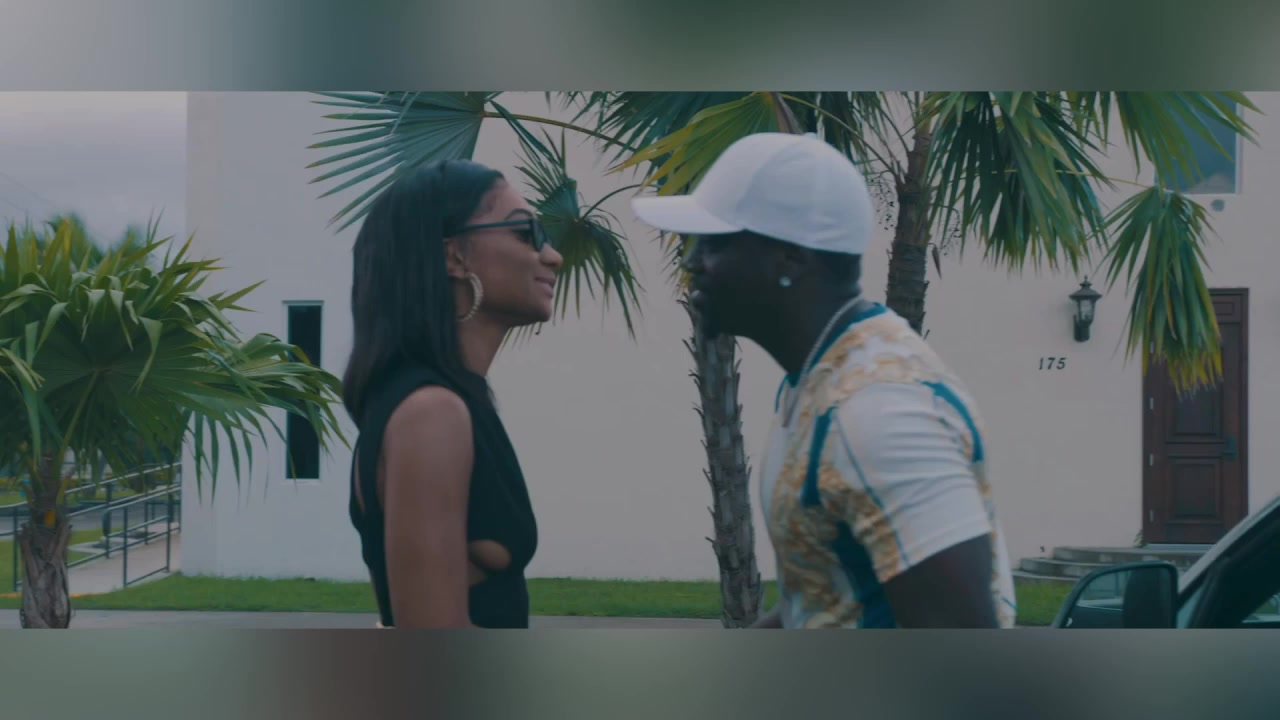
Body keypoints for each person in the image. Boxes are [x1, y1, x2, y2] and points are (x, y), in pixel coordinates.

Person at [631, 132, 1016, 629]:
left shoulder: (879, 413)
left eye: (715, 243)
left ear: (790, 259)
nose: (692, 262)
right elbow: (821, 597)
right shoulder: (822, 378)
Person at [344, 159, 563, 628]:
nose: (553, 256)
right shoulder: (431, 413)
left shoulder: (450, 403)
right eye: (526, 232)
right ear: (454, 257)